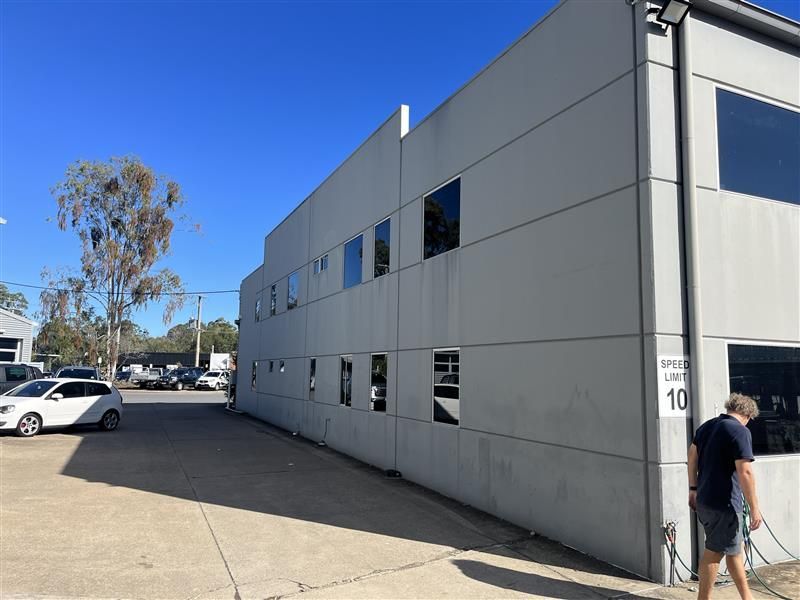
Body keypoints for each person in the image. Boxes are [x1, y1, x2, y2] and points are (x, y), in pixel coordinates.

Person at [687, 393, 762, 600]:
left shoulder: (707, 426)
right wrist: (754, 508)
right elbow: (745, 472)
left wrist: (693, 488)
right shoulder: (740, 431)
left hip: (705, 499)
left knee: (734, 550)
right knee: (714, 552)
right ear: (747, 414)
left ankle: (747, 597)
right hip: (725, 504)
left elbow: (692, 456)